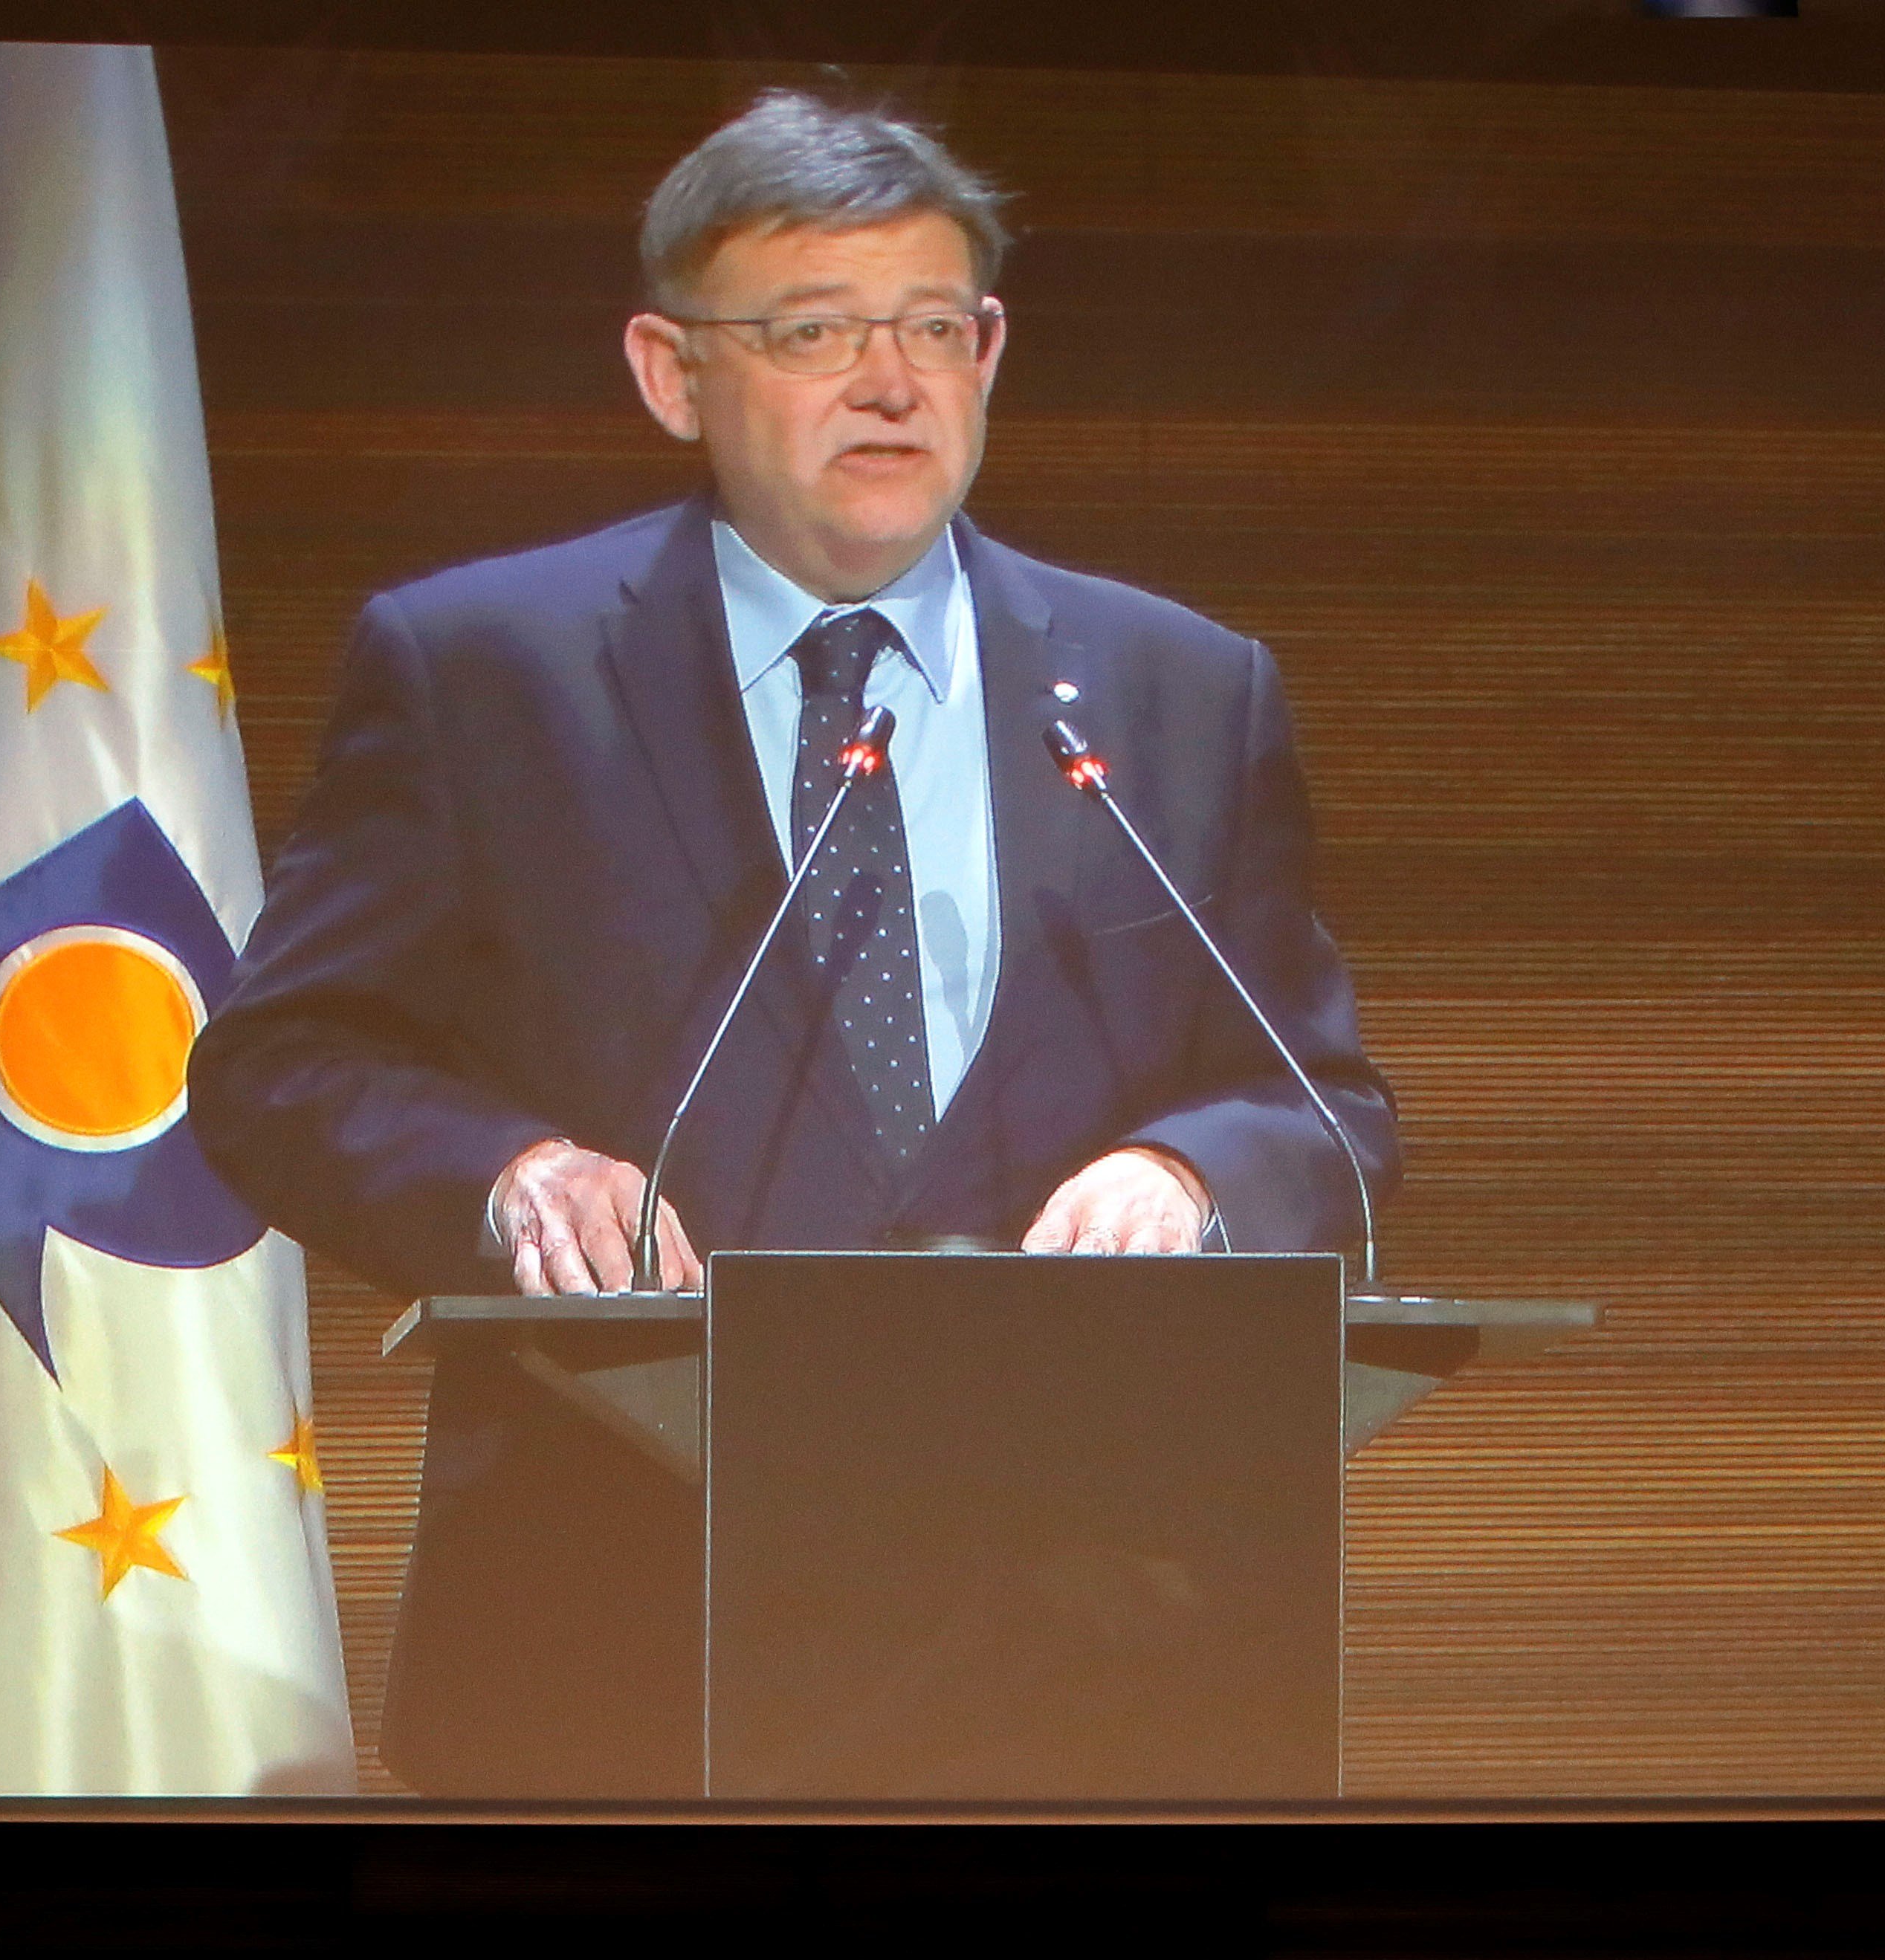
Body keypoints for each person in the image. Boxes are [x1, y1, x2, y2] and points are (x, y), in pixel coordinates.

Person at [190, 90, 1398, 1794]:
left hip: (1103, 1649)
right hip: (613, 1645)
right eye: (812, 331)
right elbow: (275, 1066)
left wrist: (1193, 1178)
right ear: (669, 373)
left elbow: (1318, 1107)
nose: (886, 383)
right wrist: (506, 1167)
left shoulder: (1173, 686)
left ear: (986, 352)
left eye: (929, 328)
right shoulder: (483, 672)